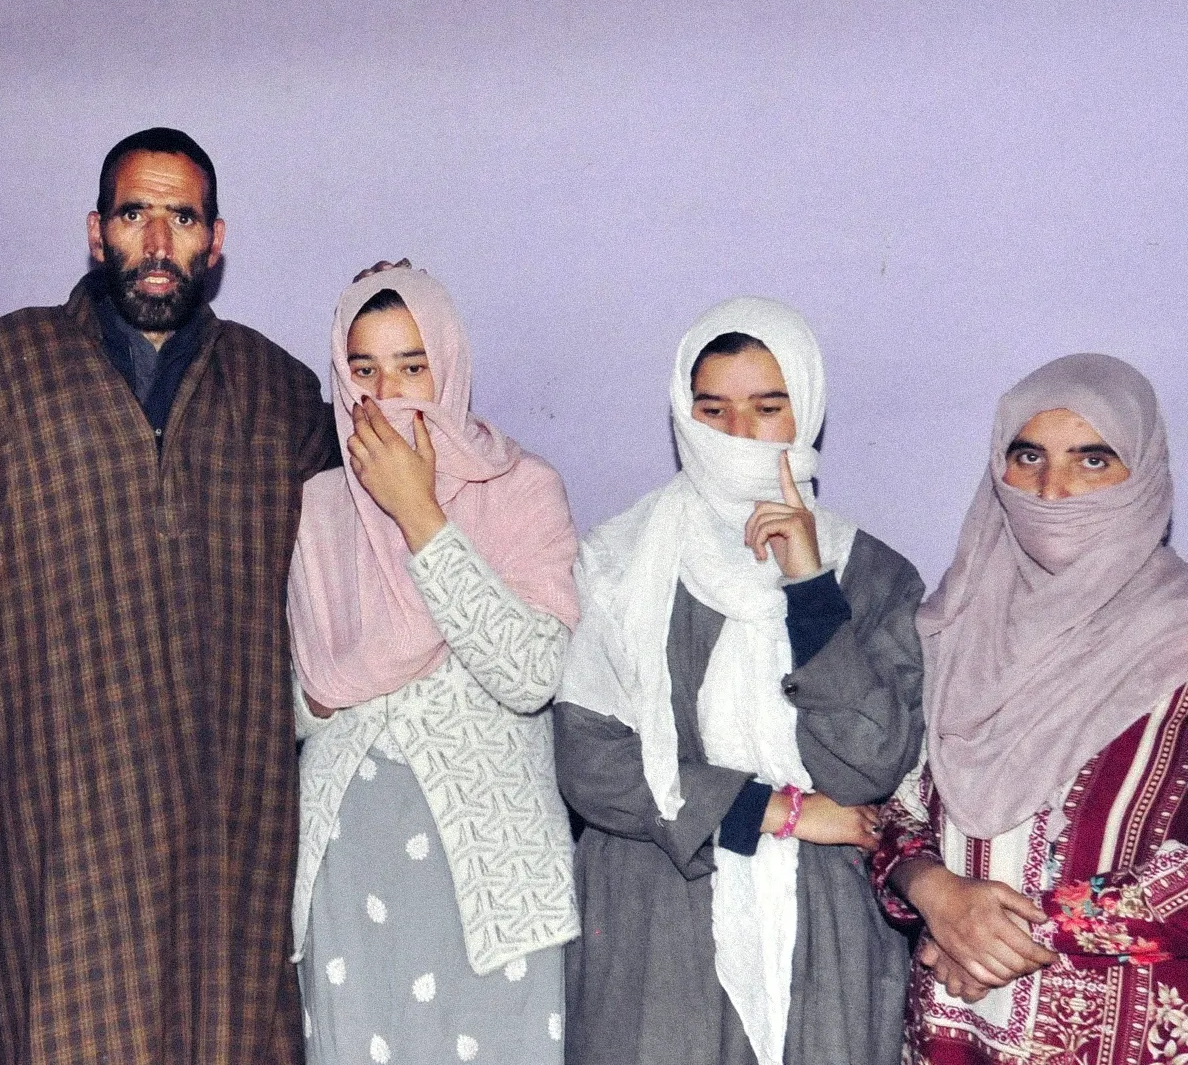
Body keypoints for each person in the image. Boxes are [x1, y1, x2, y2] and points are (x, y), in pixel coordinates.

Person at [0, 126, 338, 1064]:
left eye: (182, 217)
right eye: (135, 214)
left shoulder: (279, 396)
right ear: (96, 232)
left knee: (227, 1029)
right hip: (52, 817)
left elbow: (356, 580)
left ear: (216, 238)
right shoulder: (4, 373)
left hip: (228, 823)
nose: (158, 242)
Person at [554, 298, 923, 1065]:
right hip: (659, 914)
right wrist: (771, 810)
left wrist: (809, 586)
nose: (736, 436)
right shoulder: (624, 560)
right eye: (712, 409)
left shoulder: (872, 572)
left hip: (819, 934)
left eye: (766, 408)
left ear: (807, 411)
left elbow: (869, 764)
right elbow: (591, 764)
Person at [288, 266, 582, 1064]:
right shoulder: (319, 507)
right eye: (363, 369)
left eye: (412, 365)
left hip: (491, 870)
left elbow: (527, 675)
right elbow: (298, 699)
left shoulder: (522, 490)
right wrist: (325, 696)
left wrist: (419, 512)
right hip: (350, 859)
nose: (386, 392)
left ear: (446, 367)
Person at [872, 353, 1188, 1063]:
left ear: (1142, 472)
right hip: (954, 1027)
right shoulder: (952, 624)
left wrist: (1000, 928)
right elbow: (892, 807)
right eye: (1028, 456)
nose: (1053, 490)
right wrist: (933, 892)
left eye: (1092, 461)